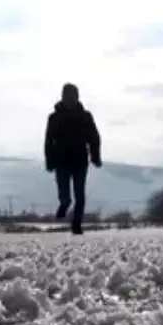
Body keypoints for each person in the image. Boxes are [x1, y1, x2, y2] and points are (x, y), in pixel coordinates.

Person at [44, 82, 101, 235]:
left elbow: (94, 137)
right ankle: (64, 204)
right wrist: (49, 160)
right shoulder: (54, 118)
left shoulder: (85, 116)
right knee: (65, 194)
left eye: (72, 96)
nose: (70, 100)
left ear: (77, 97)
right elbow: (48, 140)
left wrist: (95, 156)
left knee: (80, 195)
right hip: (61, 160)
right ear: (62, 97)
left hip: (80, 160)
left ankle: (76, 225)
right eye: (67, 96)